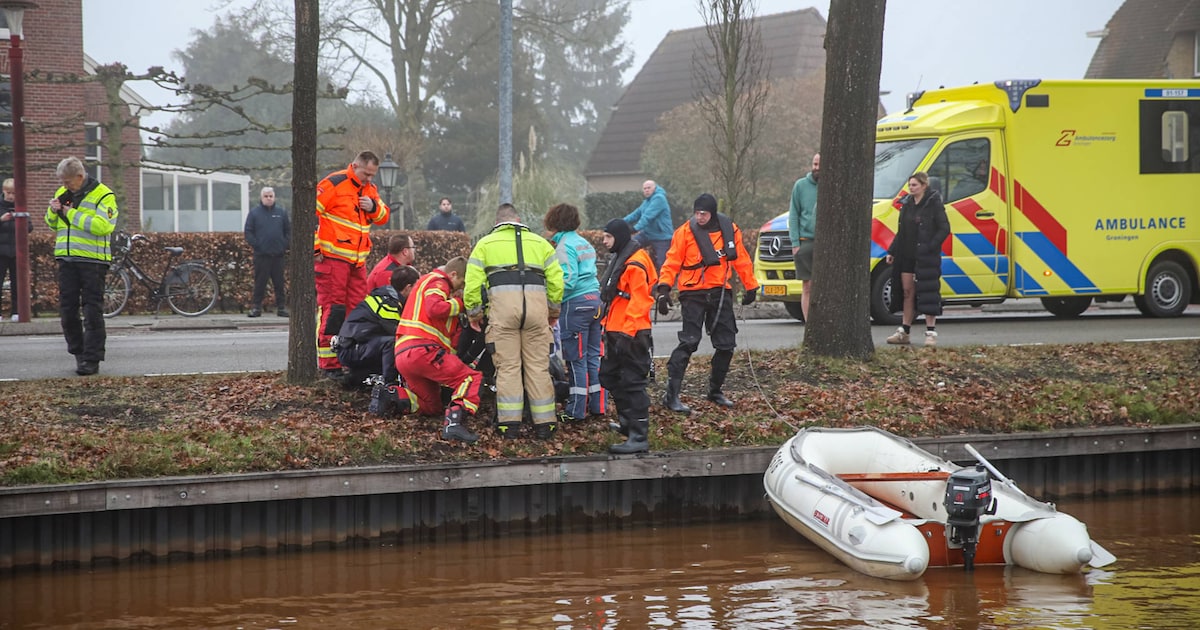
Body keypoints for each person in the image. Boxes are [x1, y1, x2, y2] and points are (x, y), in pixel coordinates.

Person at [464, 203, 564, 440]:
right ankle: (545, 426)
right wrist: (552, 311)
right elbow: (557, 282)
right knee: (538, 369)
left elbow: (473, 284)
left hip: (503, 314)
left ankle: (510, 426)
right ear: (519, 220)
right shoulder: (541, 244)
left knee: (508, 369)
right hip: (536, 314)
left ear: (498, 222)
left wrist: (475, 314)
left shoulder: (485, 245)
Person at [656, 193, 759, 413]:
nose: (699, 217)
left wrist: (751, 286)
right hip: (692, 292)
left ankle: (715, 391)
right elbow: (671, 261)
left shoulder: (730, 230)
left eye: (703, 213)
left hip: (720, 290)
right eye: (697, 213)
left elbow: (741, 258)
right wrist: (663, 289)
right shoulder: (684, 233)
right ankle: (671, 395)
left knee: (726, 344)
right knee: (689, 342)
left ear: (712, 213)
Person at [314, 151, 391, 377]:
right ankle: (329, 364)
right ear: (355, 165)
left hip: (357, 262)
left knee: (357, 311)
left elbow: (384, 216)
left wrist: (373, 208)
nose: (369, 178)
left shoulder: (370, 190)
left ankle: (348, 358)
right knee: (333, 309)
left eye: (372, 174)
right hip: (333, 259)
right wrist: (315, 248)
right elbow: (307, 214)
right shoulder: (334, 183)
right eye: (366, 173)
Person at [392, 257, 483, 443]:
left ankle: (391, 395)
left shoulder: (425, 283)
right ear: (453, 274)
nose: (461, 288)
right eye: (462, 282)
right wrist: (461, 303)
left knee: (432, 406)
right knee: (471, 377)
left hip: (404, 354)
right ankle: (454, 423)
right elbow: (434, 308)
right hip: (423, 350)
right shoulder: (438, 281)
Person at [45, 157, 118, 376]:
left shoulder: (104, 195)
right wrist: (54, 210)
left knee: (92, 311)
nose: (64, 185)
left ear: (80, 176)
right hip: (66, 259)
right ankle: (78, 352)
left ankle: (92, 359)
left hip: (93, 261)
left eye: (68, 181)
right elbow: (51, 223)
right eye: (62, 182)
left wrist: (71, 213)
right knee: (67, 311)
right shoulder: (63, 192)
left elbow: (103, 226)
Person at [597, 218, 657, 454]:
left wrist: (627, 334)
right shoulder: (623, 258)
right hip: (616, 329)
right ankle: (627, 424)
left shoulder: (635, 263)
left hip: (631, 333)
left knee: (633, 384)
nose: (604, 241)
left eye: (608, 237)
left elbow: (640, 302)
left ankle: (639, 436)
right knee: (609, 377)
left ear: (618, 237)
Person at [543, 202, 603, 422]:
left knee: (575, 359)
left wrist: (551, 300)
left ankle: (575, 411)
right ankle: (598, 406)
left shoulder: (563, 246)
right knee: (593, 357)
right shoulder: (584, 243)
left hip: (575, 305)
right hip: (595, 301)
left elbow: (567, 280)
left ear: (554, 222)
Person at [886, 171, 951, 347]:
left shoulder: (933, 203)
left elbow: (944, 228)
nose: (911, 188)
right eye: (910, 185)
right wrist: (892, 251)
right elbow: (902, 231)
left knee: (928, 292)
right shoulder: (907, 204)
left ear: (924, 186)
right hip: (906, 254)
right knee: (907, 292)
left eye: (914, 185)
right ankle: (904, 330)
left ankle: (930, 332)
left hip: (926, 256)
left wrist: (931, 246)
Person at [335, 265, 420, 386]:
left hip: (358, 346)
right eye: (417, 287)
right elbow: (398, 333)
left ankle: (358, 379)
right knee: (393, 343)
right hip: (351, 349)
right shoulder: (388, 304)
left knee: (388, 346)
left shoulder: (389, 298)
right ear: (408, 287)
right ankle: (390, 385)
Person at [243, 186, 290, 318]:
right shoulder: (254, 213)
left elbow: (288, 231)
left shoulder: (281, 213)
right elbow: (248, 232)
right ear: (261, 198)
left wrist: (283, 245)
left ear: (274, 197)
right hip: (261, 256)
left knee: (279, 284)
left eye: (271, 196)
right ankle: (256, 308)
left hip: (278, 255)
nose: (269, 199)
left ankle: (281, 308)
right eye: (266, 196)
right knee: (260, 283)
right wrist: (258, 246)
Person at [788, 153, 819, 322]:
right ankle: (809, 324)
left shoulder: (832, 186)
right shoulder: (800, 186)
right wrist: (795, 243)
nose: (816, 168)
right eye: (814, 164)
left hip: (825, 244)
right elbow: (794, 215)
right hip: (805, 242)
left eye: (819, 164)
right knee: (807, 286)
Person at [622, 180, 674, 271]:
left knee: (662, 265)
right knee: (628, 247)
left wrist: (635, 228)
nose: (646, 190)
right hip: (647, 234)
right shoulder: (646, 201)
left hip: (662, 236)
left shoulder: (659, 199)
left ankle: (663, 284)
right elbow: (636, 214)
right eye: (644, 188)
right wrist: (620, 223)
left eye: (649, 188)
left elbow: (648, 216)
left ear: (655, 188)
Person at [0, 178, 32, 322]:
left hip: (16, 251)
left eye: (13, 193)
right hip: (1, 251)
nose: (11, 196)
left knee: (17, 282)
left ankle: (16, 311)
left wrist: (21, 220)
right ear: (3, 191)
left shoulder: (21, 206)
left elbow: (29, 227)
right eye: (8, 193)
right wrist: (1, 220)